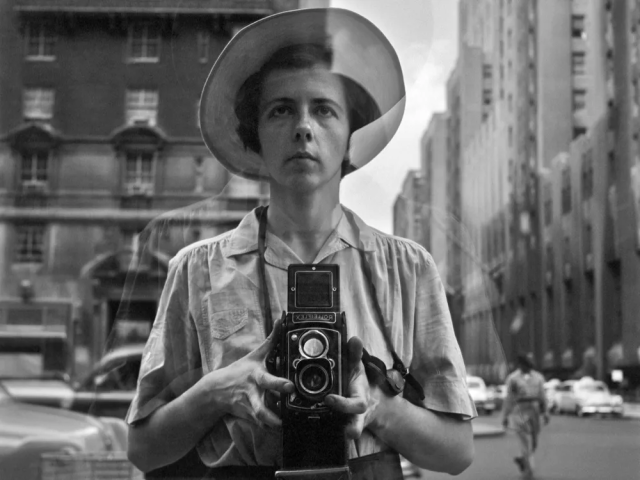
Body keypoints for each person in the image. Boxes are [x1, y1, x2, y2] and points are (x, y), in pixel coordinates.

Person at [126, 8, 476, 479]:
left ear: (350, 131)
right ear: (256, 133)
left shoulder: (407, 267)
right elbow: (143, 449)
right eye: (281, 109)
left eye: (324, 109)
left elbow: (456, 452)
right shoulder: (197, 269)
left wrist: (376, 409)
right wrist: (218, 390)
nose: (303, 127)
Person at [502, 354, 549, 478]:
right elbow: (509, 399)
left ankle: (522, 459)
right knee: (524, 441)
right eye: (525, 365)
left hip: (534, 410)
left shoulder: (538, 378)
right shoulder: (513, 379)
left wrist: (546, 413)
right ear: (520, 366)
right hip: (520, 411)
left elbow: (543, 397)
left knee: (534, 442)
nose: (528, 368)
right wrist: (505, 416)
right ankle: (529, 470)